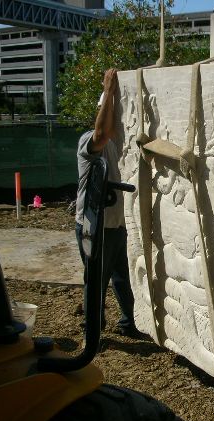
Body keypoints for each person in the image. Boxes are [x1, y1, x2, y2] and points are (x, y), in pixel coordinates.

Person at [75, 68, 139, 338]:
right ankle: (92, 330)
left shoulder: (121, 144)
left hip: (117, 224)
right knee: (96, 280)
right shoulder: (90, 141)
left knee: (124, 277)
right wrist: (108, 92)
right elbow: (102, 133)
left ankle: (129, 322)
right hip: (94, 225)